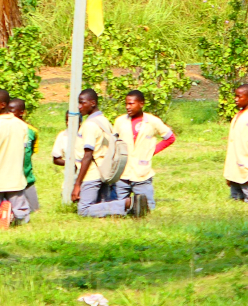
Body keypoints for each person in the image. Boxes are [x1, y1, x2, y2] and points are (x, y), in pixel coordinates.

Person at [69, 88, 140, 218]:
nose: (79, 107)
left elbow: (88, 155)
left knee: (84, 210)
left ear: (92, 103)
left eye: (82, 103)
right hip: (105, 171)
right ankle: (130, 207)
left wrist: (77, 184)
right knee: (102, 205)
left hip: (92, 174)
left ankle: (127, 203)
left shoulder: (90, 125)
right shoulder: (104, 120)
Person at [111, 90, 174, 218]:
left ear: (141, 104)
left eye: (132, 104)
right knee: (119, 208)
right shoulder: (120, 121)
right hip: (122, 172)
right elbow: (113, 142)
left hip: (142, 173)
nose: (128, 107)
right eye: (126, 104)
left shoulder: (152, 121)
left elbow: (170, 138)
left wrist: (151, 151)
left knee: (147, 209)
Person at [0, 89, 32, 229]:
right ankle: (12, 216)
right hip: (15, 179)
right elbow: (26, 152)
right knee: (23, 214)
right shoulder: (22, 126)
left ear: (2, 105)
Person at [9, 98, 40, 220]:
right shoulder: (6, 129)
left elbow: (30, 152)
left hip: (27, 176)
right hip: (10, 177)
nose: (9, 114)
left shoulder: (32, 131)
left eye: (12, 111)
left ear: (22, 112)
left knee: (35, 210)